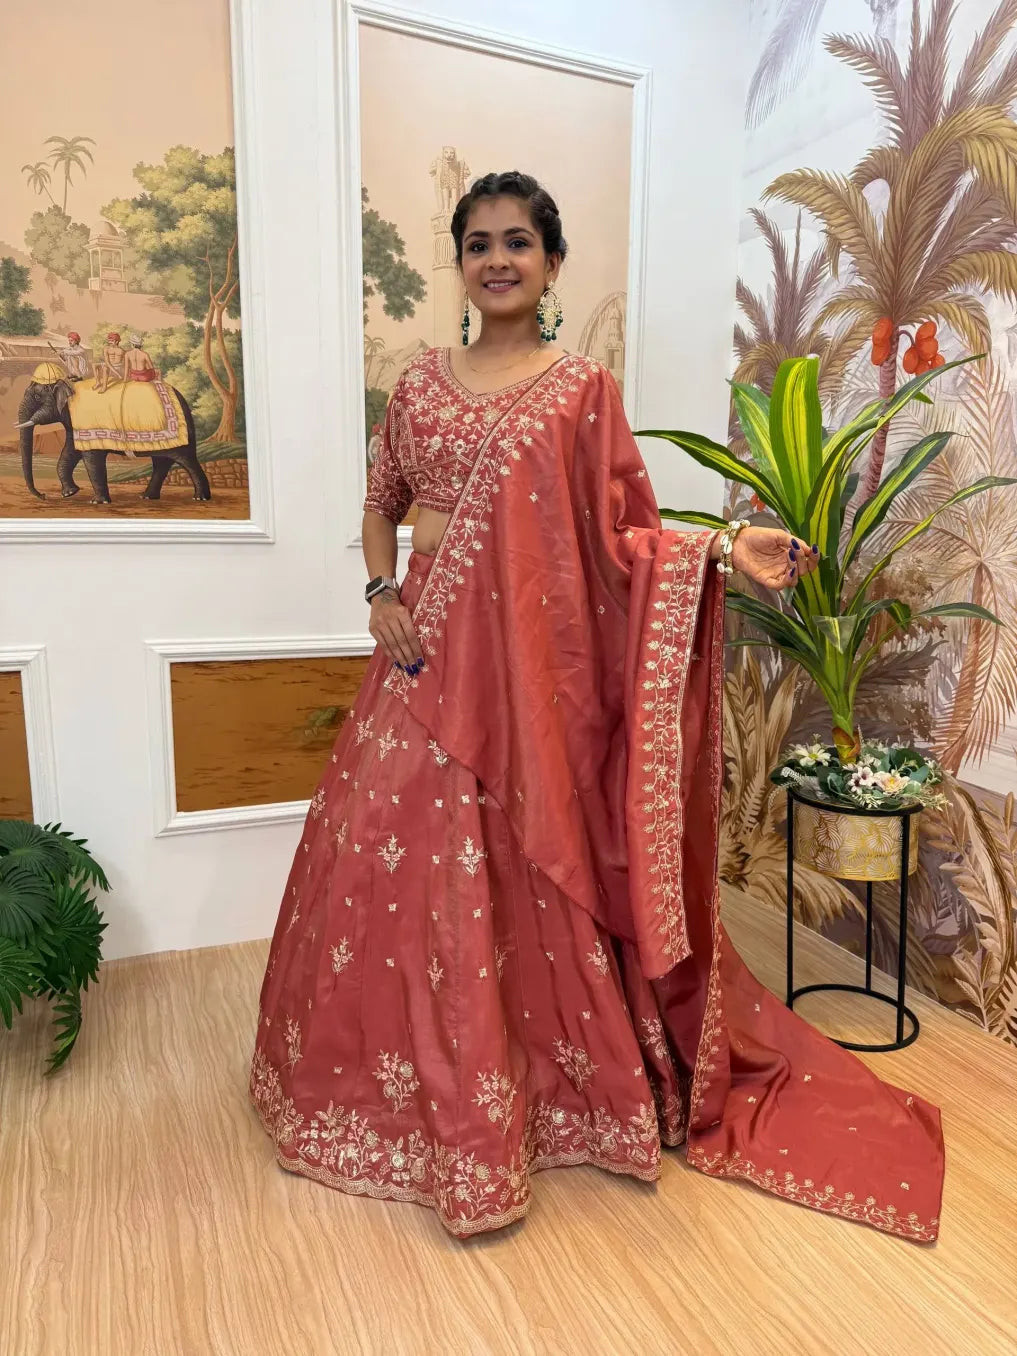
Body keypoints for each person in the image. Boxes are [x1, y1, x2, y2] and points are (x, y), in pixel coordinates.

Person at [251, 171, 944, 1242]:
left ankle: (543, 1100)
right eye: (478, 242)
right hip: (424, 657)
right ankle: (376, 1098)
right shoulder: (420, 383)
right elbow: (380, 504)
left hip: (521, 681)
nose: (497, 259)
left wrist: (720, 547)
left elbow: (621, 538)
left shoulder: (580, 393)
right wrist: (381, 594)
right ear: (462, 263)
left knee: (512, 872)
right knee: (385, 868)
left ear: (552, 262)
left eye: (518, 242)